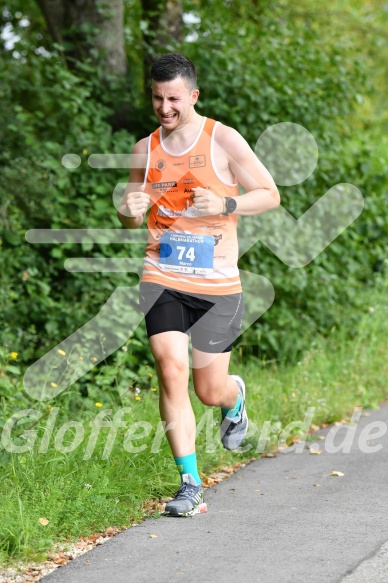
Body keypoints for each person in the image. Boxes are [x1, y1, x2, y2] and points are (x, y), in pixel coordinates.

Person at [118, 53, 280, 517]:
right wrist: (128, 211)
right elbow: (131, 220)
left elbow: (270, 195)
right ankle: (189, 484)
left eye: (173, 98)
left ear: (193, 95)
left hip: (217, 285)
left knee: (209, 390)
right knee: (170, 368)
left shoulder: (223, 139)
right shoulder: (143, 150)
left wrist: (227, 202)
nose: (164, 107)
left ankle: (234, 397)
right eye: (156, 97)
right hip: (162, 275)